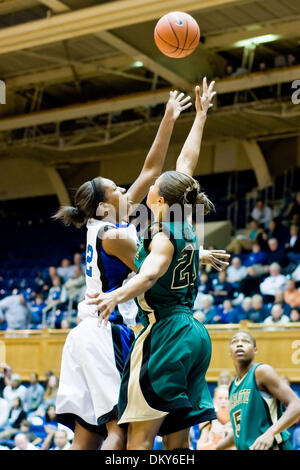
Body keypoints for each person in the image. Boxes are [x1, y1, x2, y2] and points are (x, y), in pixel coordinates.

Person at [54, 80, 229, 451]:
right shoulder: (120, 233)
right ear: (106, 205)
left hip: (95, 328)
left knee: (88, 434)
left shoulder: (108, 220)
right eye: (117, 189)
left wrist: (170, 117)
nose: (127, 189)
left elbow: (153, 170)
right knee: (122, 430)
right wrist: (196, 253)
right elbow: (154, 262)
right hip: (107, 326)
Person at [214, 331, 300, 450]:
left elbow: (296, 405)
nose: (239, 344)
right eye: (235, 342)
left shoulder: (261, 372)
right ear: (229, 352)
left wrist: (270, 433)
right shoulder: (232, 387)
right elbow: (239, 433)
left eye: (245, 341)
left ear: (255, 350)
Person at [197, 385, 235, 450]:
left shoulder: (237, 421)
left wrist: (229, 442)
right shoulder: (208, 421)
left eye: (227, 398)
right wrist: (212, 443)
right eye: (220, 398)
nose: (223, 401)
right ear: (214, 401)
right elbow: (199, 448)